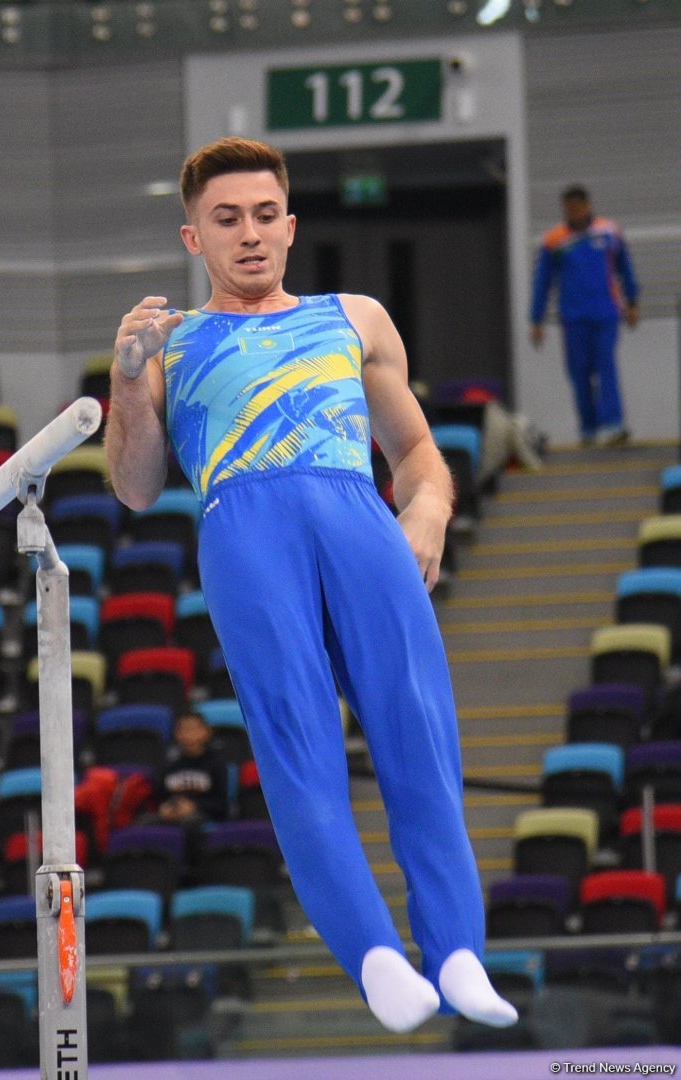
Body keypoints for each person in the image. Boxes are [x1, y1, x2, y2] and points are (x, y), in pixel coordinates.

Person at [104, 136, 515, 1034]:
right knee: (297, 738)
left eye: (261, 216)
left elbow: (413, 453)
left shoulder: (352, 316)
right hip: (244, 527)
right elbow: (134, 488)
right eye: (225, 220)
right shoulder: (172, 344)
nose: (246, 235)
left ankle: (455, 950)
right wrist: (128, 382)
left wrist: (429, 514)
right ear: (191, 238)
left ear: (289, 226)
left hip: (356, 516)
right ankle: (372, 952)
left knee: (418, 731)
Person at [530, 184, 640, 447]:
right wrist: (536, 320)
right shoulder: (555, 241)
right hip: (573, 318)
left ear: (587, 206)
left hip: (605, 313)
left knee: (606, 365)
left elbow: (625, 268)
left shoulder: (609, 232)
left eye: (578, 207)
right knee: (580, 372)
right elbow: (543, 283)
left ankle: (614, 425)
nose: (574, 212)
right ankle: (588, 429)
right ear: (565, 209)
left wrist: (632, 302)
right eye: (569, 208)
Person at [156, 712, 230, 828]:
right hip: (172, 814)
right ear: (176, 734)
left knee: (189, 824)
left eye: (193, 729)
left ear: (207, 732)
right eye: (183, 730)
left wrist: (194, 806)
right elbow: (160, 796)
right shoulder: (169, 764)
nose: (188, 735)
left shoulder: (216, 764)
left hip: (203, 816)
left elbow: (222, 805)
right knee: (144, 823)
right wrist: (165, 808)